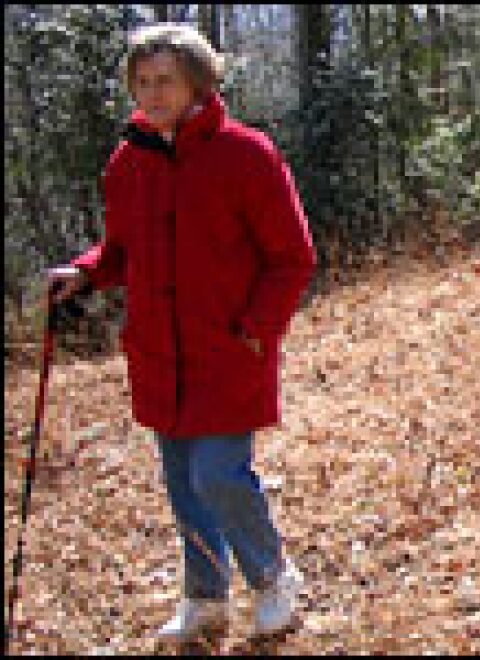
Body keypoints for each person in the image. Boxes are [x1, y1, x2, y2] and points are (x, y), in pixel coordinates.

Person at [47, 23, 317, 640]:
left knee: (217, 475)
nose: (152, 93)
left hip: (227, 348)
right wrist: (84, 272)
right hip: (157, 354)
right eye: (141, 83)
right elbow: (121, 251)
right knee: (182, 484)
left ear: (199, 81)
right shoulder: (129, 161)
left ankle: (274, 578)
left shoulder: (247, 153)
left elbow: (292, 257)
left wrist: (255, 330)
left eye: (165, 80)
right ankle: (205, 599)